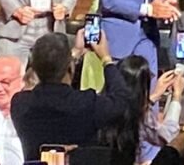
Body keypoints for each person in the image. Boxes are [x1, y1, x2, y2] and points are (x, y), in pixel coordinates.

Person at [11, 31, 130, 161]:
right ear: (70, 68)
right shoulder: (86, 103)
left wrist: (73, 54)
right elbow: (121, 99)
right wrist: (106, 58)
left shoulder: (20, 104)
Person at [98, 56, 184, 164]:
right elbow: (168, 135)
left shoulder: (97, 104)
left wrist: (155, 95)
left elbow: (130, 106)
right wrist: (177, 97)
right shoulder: (138, 118)